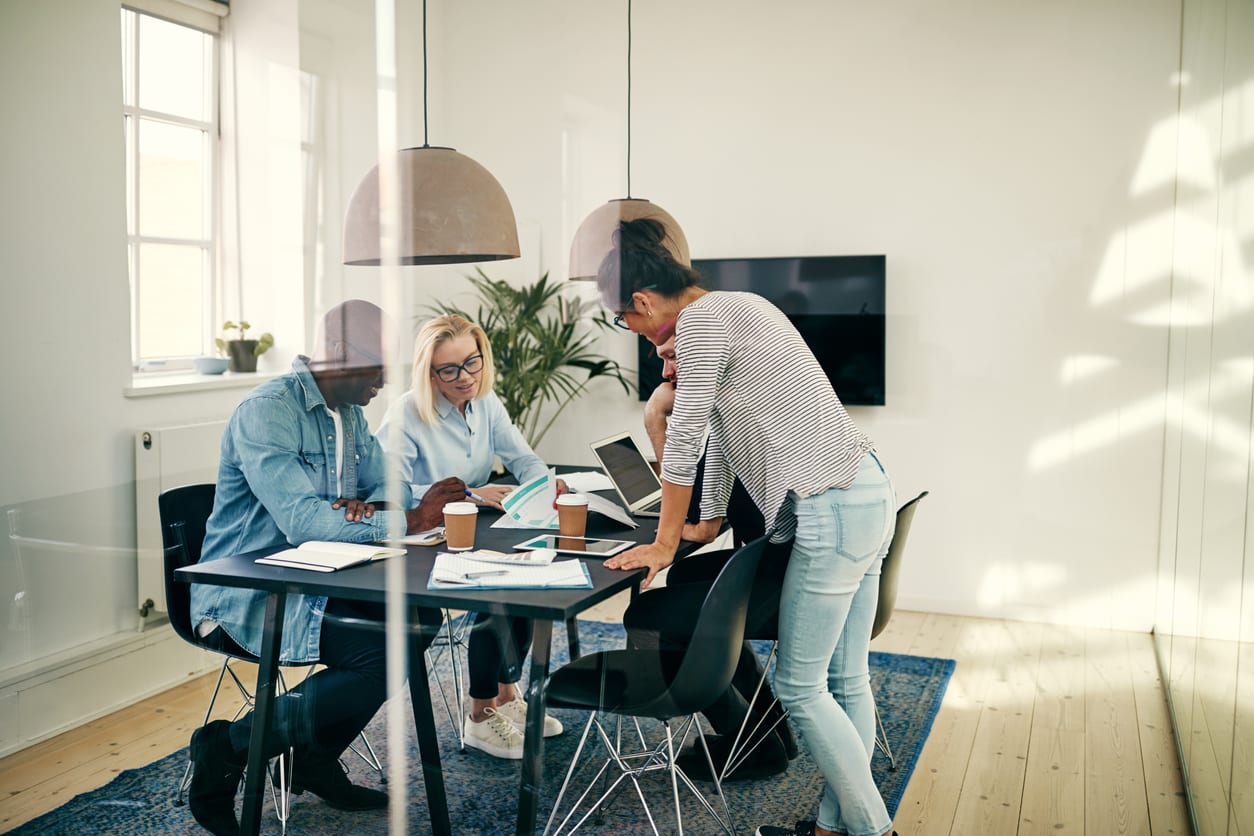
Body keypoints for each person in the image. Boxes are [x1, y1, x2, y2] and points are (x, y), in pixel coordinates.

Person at [597, 220, 898, 836]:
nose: (635, 333)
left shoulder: (706, 320)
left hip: (830, 506)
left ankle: (875, 831)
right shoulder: (741, 309)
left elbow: (685, 438)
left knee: (800, 686)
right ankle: (832, 829)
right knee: (844, 680)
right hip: (865, 491)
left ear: (644, 303)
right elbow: (721, 439)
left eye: (624, 319)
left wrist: (661, 542)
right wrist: (705, 520)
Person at [187, 300, 468, 836]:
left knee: (420, 622)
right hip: (252, 593)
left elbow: (386, 482)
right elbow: (304, 522)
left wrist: (383, 507)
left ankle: (310, 757)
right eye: (376, 364)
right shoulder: (268, 411)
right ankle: (228, 747)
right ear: (337, 353)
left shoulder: (350, 414)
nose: (386, 380)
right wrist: (407, 517)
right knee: (379, 653)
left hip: (323, 578)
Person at [376, 313, 566, 760]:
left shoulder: (486, 402)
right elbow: (389, 489)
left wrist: (541, 488)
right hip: (423, 538)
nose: (465, 378)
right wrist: (471, 492)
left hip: (474, 526)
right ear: (429, 372)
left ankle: (505, 695)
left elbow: (526, 459)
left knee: (530, 580)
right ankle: (478, 716)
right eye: (449, 370)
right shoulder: (406, 412)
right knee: (494, 595)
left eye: (472, 363)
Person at [624, 334, 797, 780]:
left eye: (670, 358)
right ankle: (769, 724)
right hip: (781, 567)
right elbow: (706, 523)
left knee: (651, 614)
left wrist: (655, 420)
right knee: (683, 582)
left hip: (784, 582)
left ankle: (755, 747)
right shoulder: (746, 412)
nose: (665, 374)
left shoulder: (742, 425)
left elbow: (694, 507)